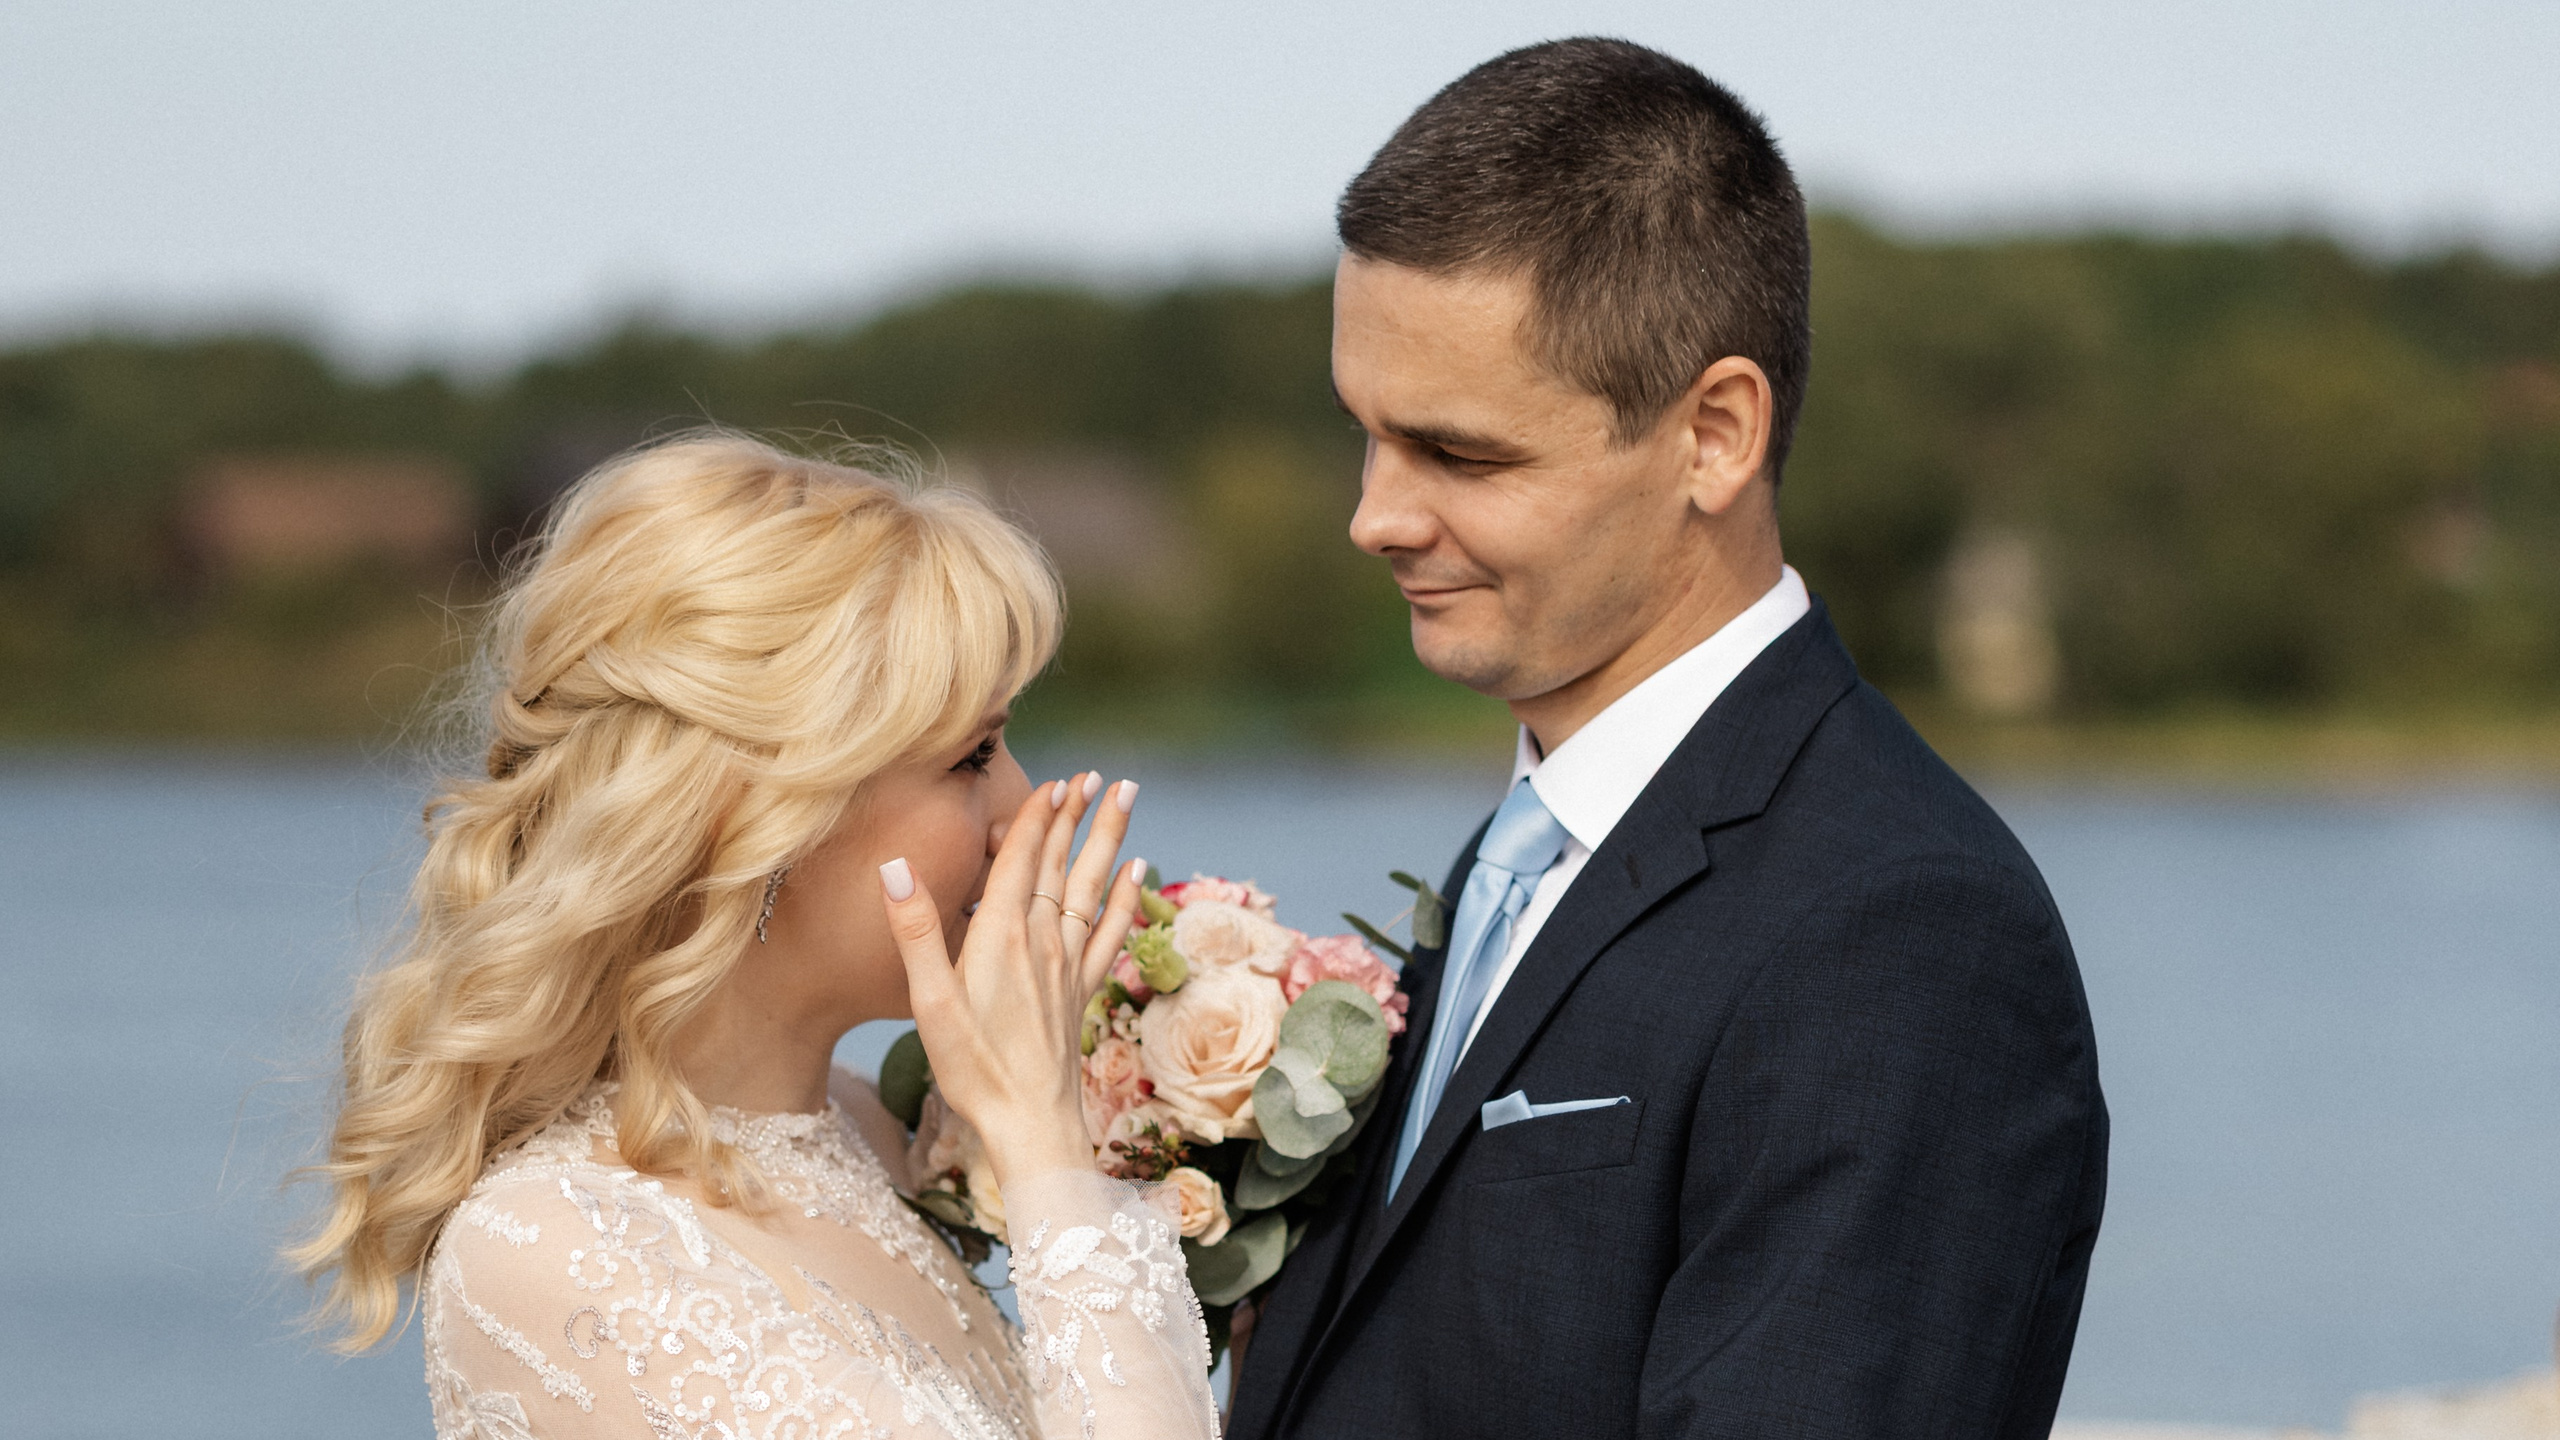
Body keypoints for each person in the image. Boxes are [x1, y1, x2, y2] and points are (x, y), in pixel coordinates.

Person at [1226, 39, 2108, 1440]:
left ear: (1713, 436)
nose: (1374, 517)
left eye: (1458, 454)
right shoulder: (1527, 856)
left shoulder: (1899, 935)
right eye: (1366, 436)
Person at [290, 436, 1220, 1440]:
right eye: (973, 757)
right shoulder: (554, 1246)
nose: (1024, 805)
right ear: (757, 816)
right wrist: (1047, 1155)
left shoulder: (873, 1136)